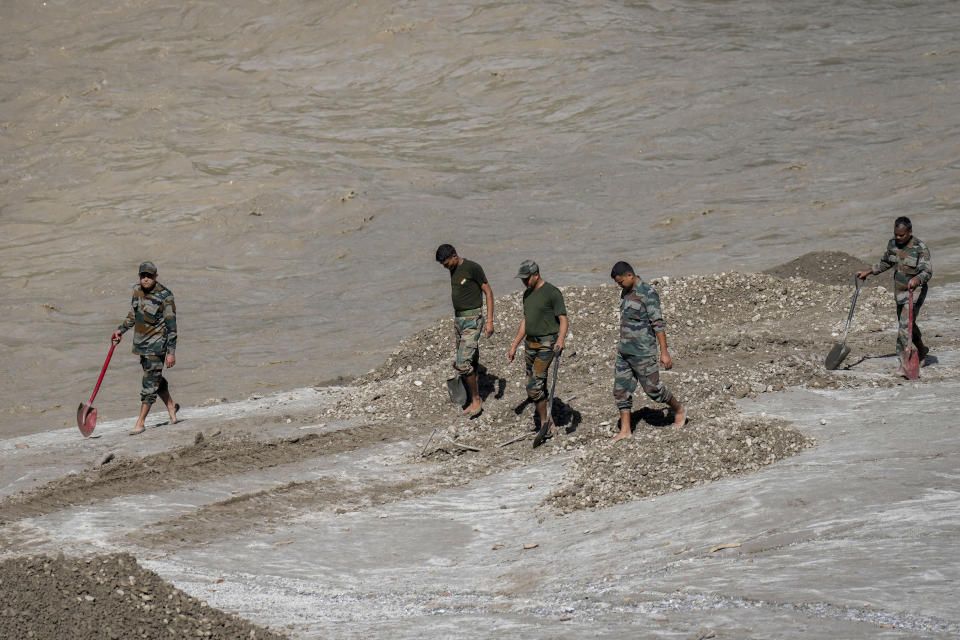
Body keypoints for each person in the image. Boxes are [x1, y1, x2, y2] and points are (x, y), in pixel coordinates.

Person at [610, 261, 685, 441]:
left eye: (620, 281)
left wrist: (664, 352)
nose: (619, 285)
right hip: (625, 352)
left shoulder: (648, 294)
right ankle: (626, 430)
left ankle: (679, 409)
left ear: (630, 275)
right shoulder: (626, 292)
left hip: (643, 352)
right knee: (621, 390)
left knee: (653, 389)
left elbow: (658, 324)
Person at [856, 216, 933, 372]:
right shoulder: (892, 244)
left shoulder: (920, 248)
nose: (898, 238)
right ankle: (922, 349)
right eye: (896, 234)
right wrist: (868, 272)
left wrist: (917, 279)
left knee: (904, 326)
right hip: (899, 291)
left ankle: (904, 364)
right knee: (908, 323)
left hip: (915, 292)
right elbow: (886, 262)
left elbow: (927, 271)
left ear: (910, 232)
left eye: (901, 235)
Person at [111, 261, 178, 435]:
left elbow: (172, 327)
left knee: (149, 383)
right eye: (143, 276)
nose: (146, 279)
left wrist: (171, 353)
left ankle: (140, 422)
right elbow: (133, 314)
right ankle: (171, 406)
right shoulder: (137, 291)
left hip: (157, 347)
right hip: (141, 345)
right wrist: (121, 330)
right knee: (155, 379)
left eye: (149, 276)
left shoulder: (165, 296)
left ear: (156, 277)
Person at [507, 260, 568, 437]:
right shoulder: (527, 295)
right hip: (530, 344)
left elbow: (563, 318)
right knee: (537, 383)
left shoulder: (552, 293)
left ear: (536, 275)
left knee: (534, 387)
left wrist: (561, 339)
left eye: (527, 279)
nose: (524, 282)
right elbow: (526, 320)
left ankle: (545, 422)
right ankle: (550, 421)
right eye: (522, 279)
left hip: (547, 344)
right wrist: (514, 346)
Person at [436, 244, 494, 415]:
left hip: (472, 319)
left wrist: (490, 321)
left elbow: (488, 292)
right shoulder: (453, 270)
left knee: (462, 363)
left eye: (446, 263)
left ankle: (477, 400)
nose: (445, 267)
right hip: (459, 320)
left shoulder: (472, 268)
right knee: (472, 361)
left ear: (454, 256)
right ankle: (472, 398)